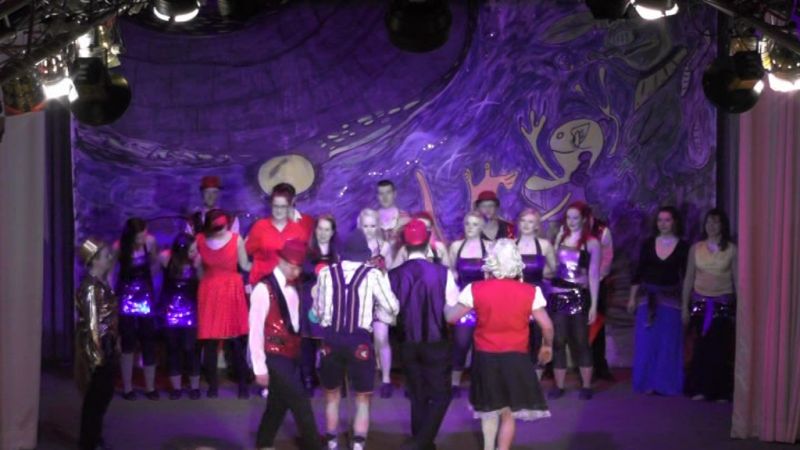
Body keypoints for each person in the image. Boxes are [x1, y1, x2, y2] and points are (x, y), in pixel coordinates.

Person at [445, 239, 553, 450]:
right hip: (517, 358)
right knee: (508, 412)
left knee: (489, 409)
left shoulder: (474, 289)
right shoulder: (531, 291)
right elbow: (547, 326)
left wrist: (446, 303)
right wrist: (546, 346)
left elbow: (451, 317)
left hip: (486, 357)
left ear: (491, 262)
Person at [312, 231, 400, 450]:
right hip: (359, 342)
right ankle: (358, 444)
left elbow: (318, 312)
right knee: (362, 397)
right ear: (364, 255)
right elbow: (392, 307)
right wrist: (377, 312)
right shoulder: (373, 275)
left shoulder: (326, 273)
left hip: (331, 340)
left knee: (331, 395)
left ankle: (332, 442)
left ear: (342, 254)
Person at [388, 219, 459, 450]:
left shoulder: (393, 275)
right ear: (428, 242)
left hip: (407, 342)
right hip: (436, 341)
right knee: (441, 395)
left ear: (405, 245)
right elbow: (451, 310)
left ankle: (423, 443)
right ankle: (420, 442)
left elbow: (389, 312)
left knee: (417, 394)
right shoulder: (442, 273)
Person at [249, 240, 324, 450]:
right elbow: (255, 330)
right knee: (301, 404)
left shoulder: (296, 286)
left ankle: (263, 444)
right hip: (273, 355)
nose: (296, 271)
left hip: (292, 354)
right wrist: (259, 367)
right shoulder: (263, 289)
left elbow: (296, 323)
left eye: (299, 267)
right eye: (292, 266)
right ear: (280, 260)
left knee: (277, 405)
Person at [627, 207, 689, 396]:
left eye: (667, 220)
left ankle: (666, 384)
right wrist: (632, 298)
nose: (663, 224)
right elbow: (638, 272)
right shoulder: (647, 244)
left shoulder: (683, 246)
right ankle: (647, 383)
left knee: (668, 344)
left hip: (671, 301)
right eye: (660, 220)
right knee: (647, 343)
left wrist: (686, 304)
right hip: (647, 300)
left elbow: (686, 277)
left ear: (675, 222)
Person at [195, 209, 252, 398]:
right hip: (211, 292)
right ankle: (213, 386)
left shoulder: (236, 240)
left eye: (222, 226)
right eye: (217, 227)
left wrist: (264, 266)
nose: (220, 230)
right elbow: (198, 269)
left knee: (235, 341)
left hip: (229, 291)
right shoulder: (200, 240)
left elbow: (244, 265)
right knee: (211, 342)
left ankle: (242, 385)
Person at [682, 208, 737, 402]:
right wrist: (684, 307)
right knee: (701, 346)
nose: (711, 226)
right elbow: (689, 278)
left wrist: (741, 308)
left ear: (723, 225)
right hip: (700, 302)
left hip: (722, 303)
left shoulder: (731, 249)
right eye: (709, 222)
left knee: (720, 347)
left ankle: (721, 391)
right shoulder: (696, 248)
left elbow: (737, 279)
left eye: (716, 222)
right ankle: (701, 388)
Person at [547, 202, 600, 400]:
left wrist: (594, 305)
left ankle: (586, 386)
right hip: (558, 295)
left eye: (575, 217)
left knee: (581, 342)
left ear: (584, 219)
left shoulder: (592, 243)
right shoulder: (561, 237)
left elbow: (593, 275)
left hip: (579, 296)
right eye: (568, 217)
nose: (571, 221)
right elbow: (552, 266)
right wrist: (557, 242)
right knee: (558, 341)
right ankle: (559, 386)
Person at [75, 238, 119, 450]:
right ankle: (88, 442)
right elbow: (92, 325)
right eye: (105, 256)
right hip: (99, 347)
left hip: (107, 344)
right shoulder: (91, 288)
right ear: (93, 260)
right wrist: (97, 356)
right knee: (96, 397)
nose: (109, 258)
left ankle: (94, 436)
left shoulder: (101, 283)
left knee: (103, 396)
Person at [447, 211, 493, 396]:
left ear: (482, 227)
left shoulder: (490, 247)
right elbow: (450, 273)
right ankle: (454, 384)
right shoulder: (456, 246)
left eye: (475, 224)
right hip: (463, 302)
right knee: (461, 343)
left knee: (482, 345)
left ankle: (479, 384)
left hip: (484, 302)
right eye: (467, 223)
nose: (470, 228)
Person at [114, 217, 160, 400]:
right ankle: (127, 388)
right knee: (128, 342)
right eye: (139, 237)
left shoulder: (150, 242)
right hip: (126, 299)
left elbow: (155, 263)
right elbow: (112, 272)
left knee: (148, 341)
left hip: (145, 298)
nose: (143, 238)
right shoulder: (119, 247)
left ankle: (150, 387)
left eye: (144, 234)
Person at [300, 214, 339, 395]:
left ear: (332, 232)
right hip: (309, 302)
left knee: (330, 344)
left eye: (327, 229)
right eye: (320, 229)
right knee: (307, 343)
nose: (323, 233)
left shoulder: (338, 254)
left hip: (330, 304)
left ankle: (330, 379)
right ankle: (308, 379)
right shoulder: (306, 252)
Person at [159, 233, 202, 400]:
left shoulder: (196, 261)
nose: (195, 252)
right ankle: (176, 388)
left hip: (191, 313)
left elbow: (202, 282)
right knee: (173, 350)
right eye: (191, 250)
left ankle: (194, 387)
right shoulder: (166, 259)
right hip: (171, 313)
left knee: (191, 350)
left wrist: (198, 266)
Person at [358, 208, 396, 397]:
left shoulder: (384, 246)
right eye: (366, 226)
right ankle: (364, 377)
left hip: (379, 298)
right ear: (360, 226)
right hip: (359, 298)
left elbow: (391, 270)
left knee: (382, 338)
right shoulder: (354, 246)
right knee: (361, 340)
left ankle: (386, 379)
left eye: (373, 226)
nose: (369, 229)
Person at [246, 182, 314, 286]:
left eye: (283, 206)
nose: (278, 210)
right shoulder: (259, 226)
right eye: (275, 206)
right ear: (270, 205)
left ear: (289, 206)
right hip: (261, 283)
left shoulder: (298, 231)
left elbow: (301, 263)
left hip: (287, 286)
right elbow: (248, 251)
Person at [516, 209, 556, 376]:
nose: (526, 225)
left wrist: (541, 273)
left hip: (537, 296)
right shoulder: (511, 245)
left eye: (531, 221)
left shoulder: (544, 245)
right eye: (523, 221)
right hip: (516, 296)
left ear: (537, 226)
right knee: (519, 337)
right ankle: (520, 376)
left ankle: (536, 377)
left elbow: (554, 270)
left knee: (538, 336)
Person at [376, 179, 410, 249]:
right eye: (381, 194)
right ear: (377, 196)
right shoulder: (371, 218)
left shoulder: (404, 217)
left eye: (388, 193)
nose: (385, 197)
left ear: (394, 194)